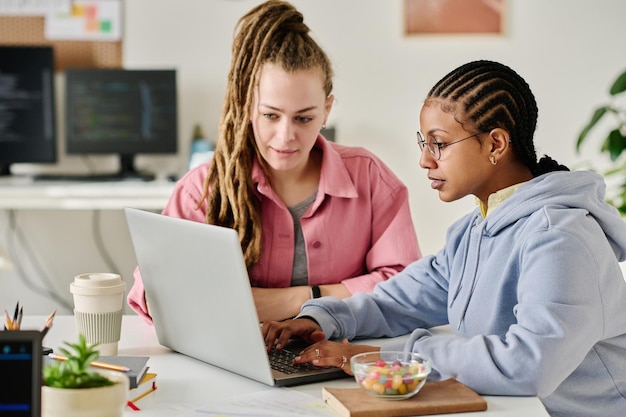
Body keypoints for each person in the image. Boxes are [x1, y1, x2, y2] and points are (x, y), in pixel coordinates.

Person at [262, 60, 626, 416]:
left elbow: (529, 363)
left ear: (496, 144)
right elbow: (400, 301)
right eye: (424, 142)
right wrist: (320, 320)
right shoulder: (474, 231)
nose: (424, 160)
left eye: (439, 143)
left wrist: (384, 359)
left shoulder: (559, 238)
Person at [127, 0, 420, 323]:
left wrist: (299, 300)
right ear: (247, 106)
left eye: (304, 119)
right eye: (270, 115)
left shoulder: (369, 177)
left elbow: (406, 287)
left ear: (327, 110)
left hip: (340, 357)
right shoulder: (203, 188)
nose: (285, 136)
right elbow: (157, 295)